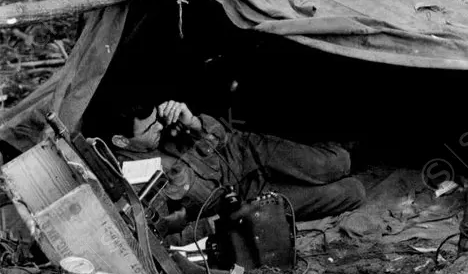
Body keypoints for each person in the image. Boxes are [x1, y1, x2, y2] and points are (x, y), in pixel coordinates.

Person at [110, 100, 365, 245]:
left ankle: (344, 149)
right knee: (352, 192)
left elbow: (221, 137)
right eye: (149, 129)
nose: (159, 128)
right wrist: (218, 223)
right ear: (121, 141)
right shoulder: (134, 181)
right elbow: (164, 238)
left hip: (244, 152)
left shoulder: (164, 124)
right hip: (244, 199)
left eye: (157, 120)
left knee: (337, 162)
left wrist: (193, 122)